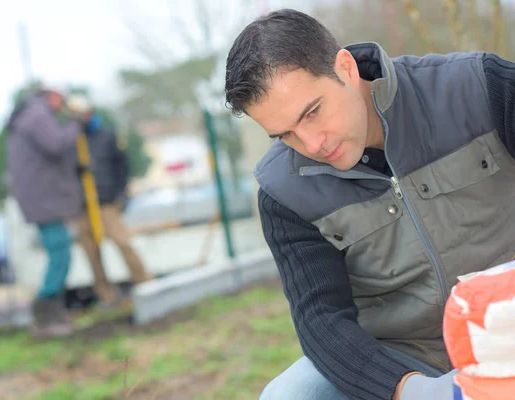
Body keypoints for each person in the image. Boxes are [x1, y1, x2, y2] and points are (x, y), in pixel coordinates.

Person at [224, 8, 515, 400]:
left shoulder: (480, 87)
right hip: (408, 360)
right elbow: (322, 322)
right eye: (285, 135)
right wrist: (412, 391)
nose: (312, 145)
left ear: (345, 67)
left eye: (312, 112)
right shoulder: (282, 193)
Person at [7, 84, 83, 339]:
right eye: (61, 100)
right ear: (52, 96)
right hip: (44, 200)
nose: (62, 106)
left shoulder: (28, 115)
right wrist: (75, 124)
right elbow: (57, 144)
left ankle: (51, 312)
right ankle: (46, 314)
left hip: (39, 198)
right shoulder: (38, 115)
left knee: (59, 251)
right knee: (60, 252)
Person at [67, 95, 152, 307]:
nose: (81, 118)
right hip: (82, 206)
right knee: (91, 251)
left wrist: (121, 194)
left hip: (105, 202)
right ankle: (105, 293)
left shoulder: (107, 135)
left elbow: (122, 166)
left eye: (83, 113)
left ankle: (145, 283)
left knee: (122, 242)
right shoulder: (70, 141)